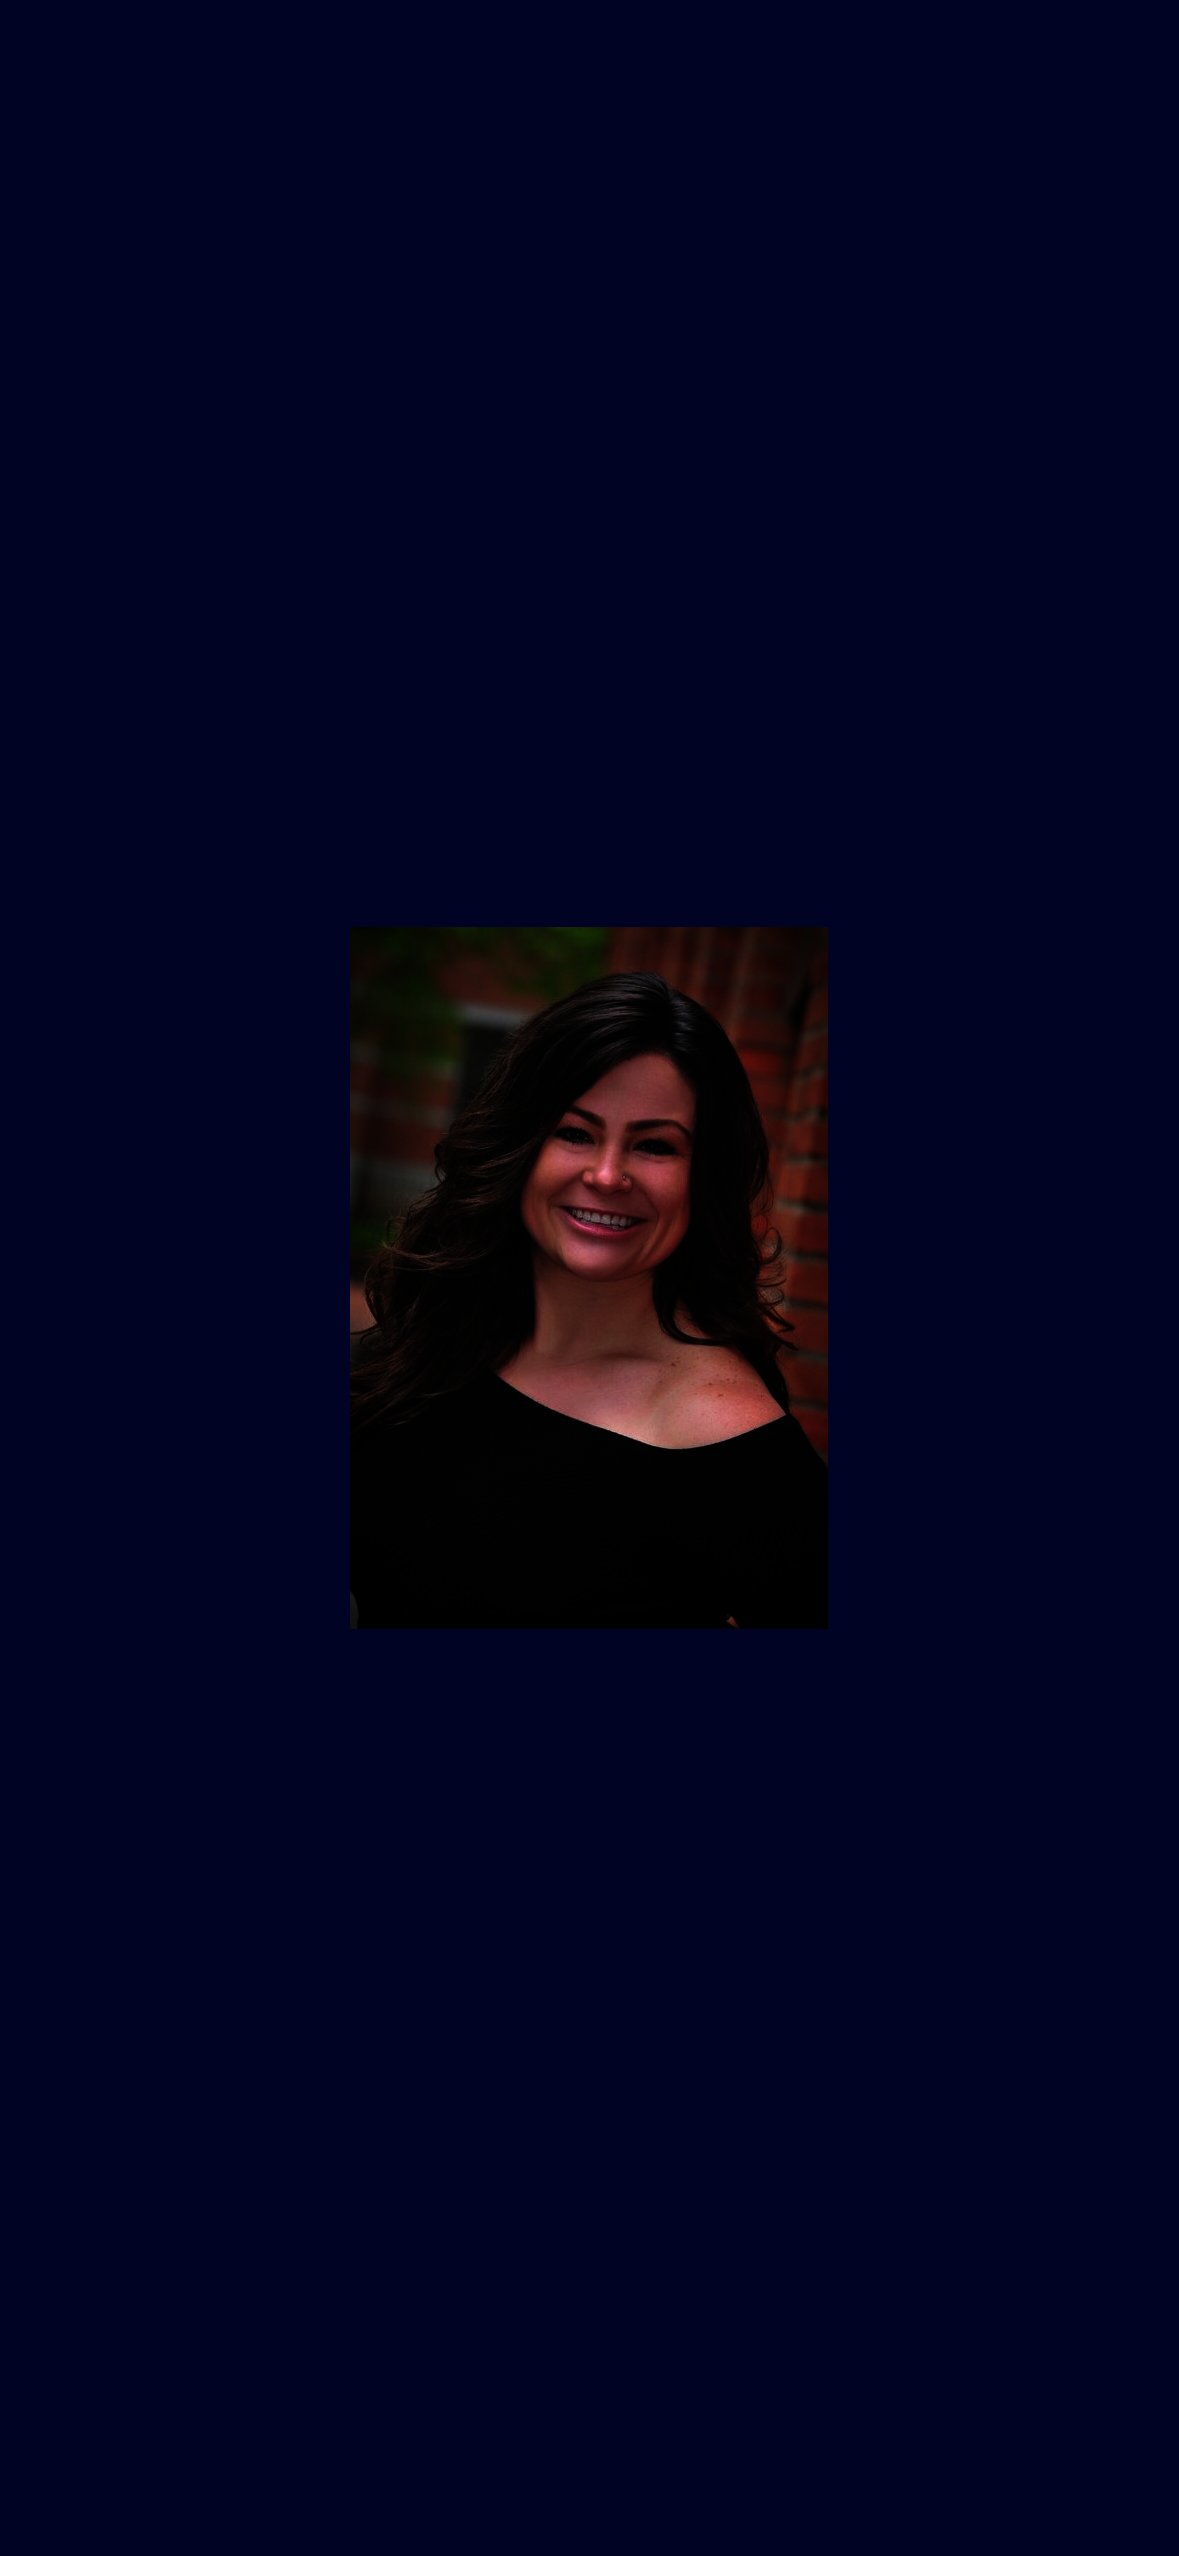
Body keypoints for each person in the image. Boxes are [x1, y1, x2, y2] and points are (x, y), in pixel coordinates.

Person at [350, 972, 827, 1629]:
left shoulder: (729, 1442)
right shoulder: (427, 1341)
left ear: (704, 1179)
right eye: (575, 1132)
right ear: (519, 1145)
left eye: (655, 1145)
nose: (606, 1175)